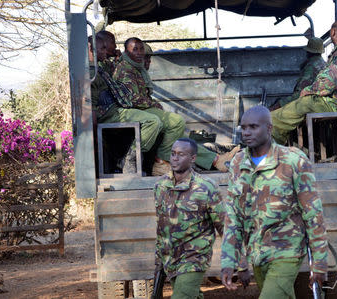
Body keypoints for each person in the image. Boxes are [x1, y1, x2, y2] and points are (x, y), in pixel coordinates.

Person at [221, 106, 328, 298]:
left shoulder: (293, 161)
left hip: (287, 250)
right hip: (257, 253)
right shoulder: (237, 164)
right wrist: (231, 261)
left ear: (269, 129)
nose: (246, 132)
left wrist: (319, 261)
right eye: (243, 127)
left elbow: (313, 213)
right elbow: (232, 217)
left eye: (253, 127)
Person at [113, 37, 238, 175]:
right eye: (144, 57)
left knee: (178, 134)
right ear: (127, 51)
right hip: (135, 112)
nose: (146, 61)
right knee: (175, 124)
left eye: (147, 57)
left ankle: (215, 159)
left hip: (143, 111)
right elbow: (131, 99)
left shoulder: (138, 71)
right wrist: (153, 104)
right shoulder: (127, 69)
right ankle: (161, 162)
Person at [154, 138, 226, 299]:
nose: (175, 158)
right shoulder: (161, 186)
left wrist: (235, 261)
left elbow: (223, 226)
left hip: (194, 257)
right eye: (173, 154)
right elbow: (161, 227)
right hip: (170, 257)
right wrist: (158, 260)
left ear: (193, 158)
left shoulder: (206, 187)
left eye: (181, 154)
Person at [88, 34, 164, 174]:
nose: (107, 51)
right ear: (90, 49)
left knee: (156, 122)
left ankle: (141, 160)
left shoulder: (101, 69)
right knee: (153, 121)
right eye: (103, 48)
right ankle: (130, 158)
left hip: (116, 109)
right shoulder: (91, 74)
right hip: (108, 113)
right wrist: (93, 139)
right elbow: (91, 109)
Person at [271, 19, 337, 145]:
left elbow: (327, 83)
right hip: (336, 101)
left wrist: (308, 91)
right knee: (301, 104)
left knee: (296, 108)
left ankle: (269, 148)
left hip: (333, 103)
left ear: (333, 32)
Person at [270, 37, 326, 110]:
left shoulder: (311, 67)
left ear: (309, 52)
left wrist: (279, 104)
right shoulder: (323, 64)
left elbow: (300, 94)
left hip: (308, 103)